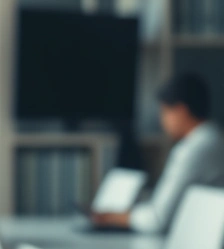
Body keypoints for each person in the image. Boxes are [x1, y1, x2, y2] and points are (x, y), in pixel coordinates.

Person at [91, 72, 224, 233]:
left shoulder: (194, 148)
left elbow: (158, 219)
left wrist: (114, 217)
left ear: (181, 111)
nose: (162, 120)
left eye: (164, 112)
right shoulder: (214, 138)